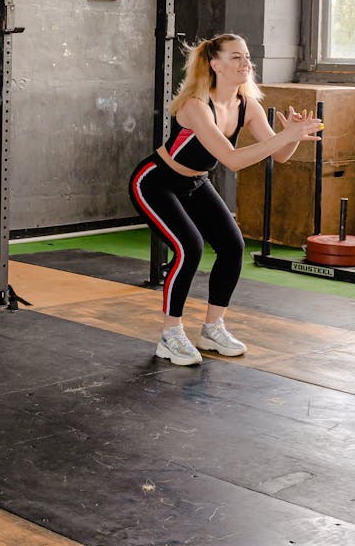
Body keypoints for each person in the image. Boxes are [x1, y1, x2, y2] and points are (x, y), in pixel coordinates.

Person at [129, 34, 321, 365]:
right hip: (155, 181)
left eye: (246, 57)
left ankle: (212, 327)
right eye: (236, 57)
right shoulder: (195, 106)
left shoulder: (248, 106)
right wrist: (285, 138)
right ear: (215, 65)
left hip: (195, 182)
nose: (246, 63)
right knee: (189, 247)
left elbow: (282, 155)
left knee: (233, 246)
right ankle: (170, 334)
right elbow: (232, 160)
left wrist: (293, 136)